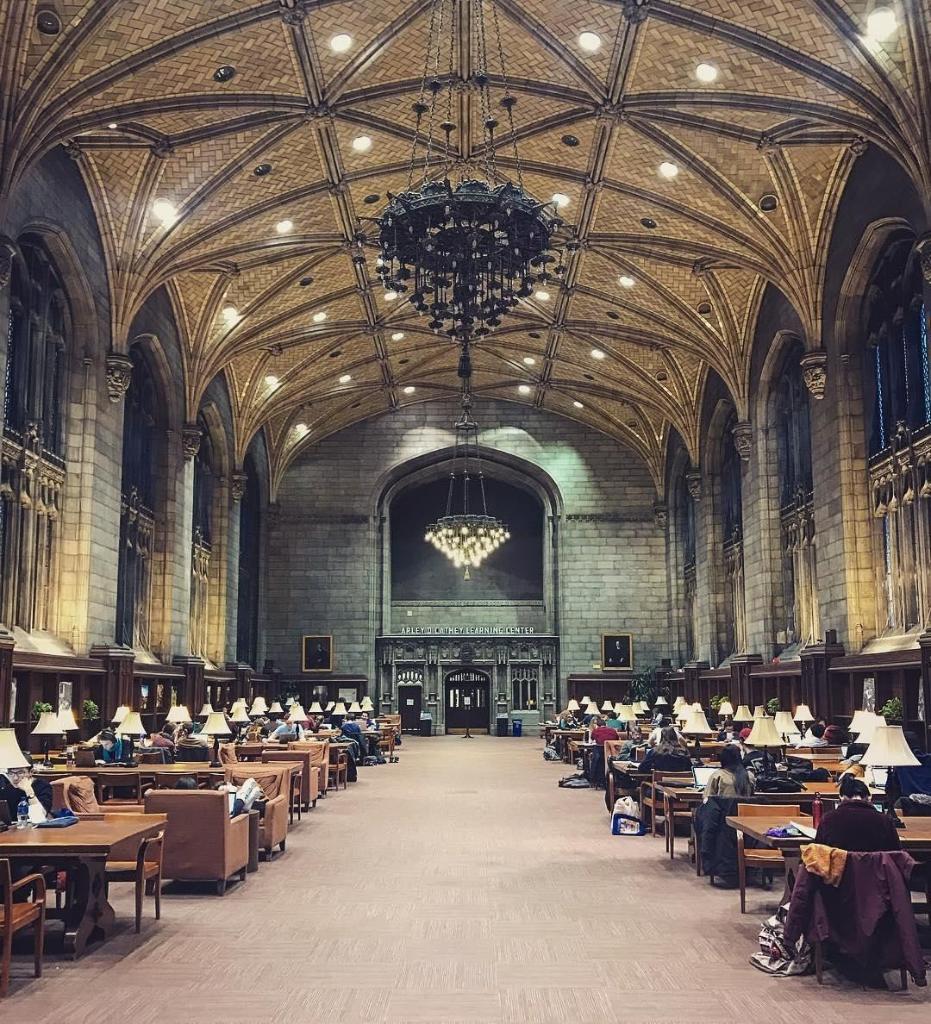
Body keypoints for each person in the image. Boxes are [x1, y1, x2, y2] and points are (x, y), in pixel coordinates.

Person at [814, 775, 900, 852]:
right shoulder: (885, 820)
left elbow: (818, 853)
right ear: (869, 798)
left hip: (839, 869)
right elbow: (896, 855)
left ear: (841, 797)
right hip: (875, 869)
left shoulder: (828, 819)